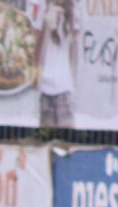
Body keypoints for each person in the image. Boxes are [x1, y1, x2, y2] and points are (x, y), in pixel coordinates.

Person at [33, 0, 80, 128]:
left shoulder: (72, 16)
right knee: (47, 139)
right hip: (45, 89)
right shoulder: (43, 14)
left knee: (66, 138)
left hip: (64, 89)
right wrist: (46, 27)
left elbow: (73, 52)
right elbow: (37, 54)